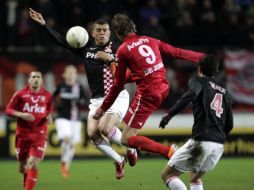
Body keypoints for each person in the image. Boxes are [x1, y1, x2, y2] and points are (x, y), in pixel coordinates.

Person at [29, 8, 137, 180]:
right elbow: (61, 42)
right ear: (93, 33)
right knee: (93, 133)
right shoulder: (86, 48)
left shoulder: (119, 49)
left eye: (105, 30)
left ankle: (131, 148)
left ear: (110, 33)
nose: (102, 33)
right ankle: (119, 160)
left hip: (117, 96)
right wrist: (44, 25)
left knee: (105, 128)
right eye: (98, 30)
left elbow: (133, 67)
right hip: (97, 100)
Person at [93, 13, 205, 159]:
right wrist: (202, 57)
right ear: (133, 28)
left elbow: (117, 84)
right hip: (163, 88)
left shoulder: (123, 49)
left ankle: (168, 151)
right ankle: (133, 152)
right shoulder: (150, 40)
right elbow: (176, 52)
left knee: (126, 139)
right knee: (127, 133)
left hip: (147, 94)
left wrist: (103, 109)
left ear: (118, 34)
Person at [159, 55, 233, 190]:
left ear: (199, 69)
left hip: (202, 140)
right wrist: (217, 137)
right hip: (218, 145)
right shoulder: (225, 92)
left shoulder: (198, 81)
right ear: (216, 71)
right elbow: (230, 124)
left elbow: (190, 95)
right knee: (195, 177)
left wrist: (169, 114)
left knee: (167, 175)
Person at [5, 71, 53, 190]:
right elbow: (8, 110)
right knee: (22, 167)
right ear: (29, 80)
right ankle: (25, 174)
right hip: (22, 135)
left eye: (38, 77)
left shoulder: (48, 96)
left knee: (32, 163)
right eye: (33, 77)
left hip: (39, 135)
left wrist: (49, 116)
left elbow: (49, 110)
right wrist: (21, 114)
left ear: (41, 80)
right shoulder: (20, 94)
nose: (36, 79)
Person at [53, 65, 85, 178]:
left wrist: (80, 101)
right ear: (64, 75)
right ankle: (64, 161)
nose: (71, 75)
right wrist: (54, 106)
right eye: (69, 73)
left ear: (76, 75)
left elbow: (84, 101)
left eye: (73, 73)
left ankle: (65, 164)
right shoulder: (60, 86)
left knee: (71, 145)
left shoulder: (79, 87)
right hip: (61, 117)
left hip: (75, 119)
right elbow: (52, 99)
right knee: (67, 138)